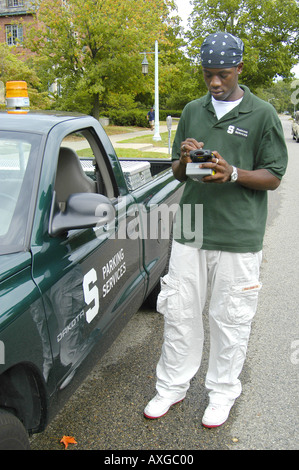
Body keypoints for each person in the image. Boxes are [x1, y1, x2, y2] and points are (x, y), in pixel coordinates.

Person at [144, 32, 288, 428]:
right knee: (179, 313)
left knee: (230, 318)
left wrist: (233, 173)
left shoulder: (262, 114)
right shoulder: (193, 110)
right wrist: (187, 159)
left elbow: (274, 176)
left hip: (239, 237)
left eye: (222, 74)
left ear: (239, 69)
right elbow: (178, 171)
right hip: (191, 232)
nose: (214, 83)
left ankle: (222, 392)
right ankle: (171, 386)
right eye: (208, 74)